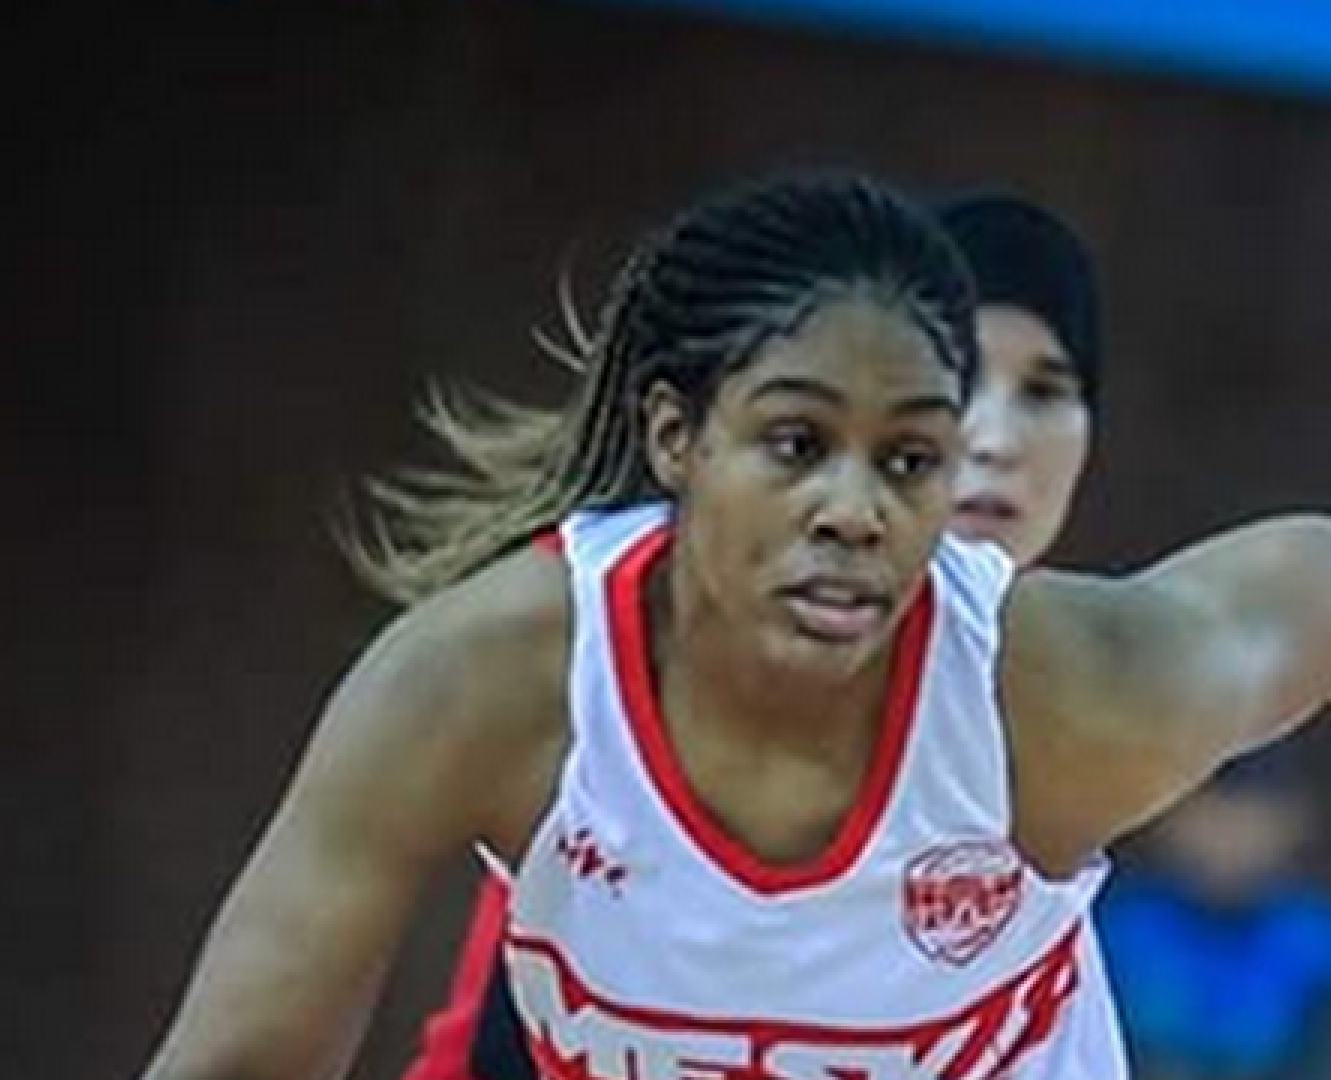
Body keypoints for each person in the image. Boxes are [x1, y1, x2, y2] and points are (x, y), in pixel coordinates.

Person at [138, 174, 1331, 1080]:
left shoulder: (1045, 697)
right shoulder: (489, 684)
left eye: (911, 461)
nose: (855, 510)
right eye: (795, 444)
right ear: (676, 438)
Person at [400, 189, 1108, 1080]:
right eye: (966, 393)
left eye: (1044, 391)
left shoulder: (1091, 699)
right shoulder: (601, 703)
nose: (994, 439)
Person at [1101, 751, 1331, 1080]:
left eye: (1252, 812)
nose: (1230, 833)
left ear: (1294, 821)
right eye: (1212, 810)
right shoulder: (1119, 931)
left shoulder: (1322, 947)